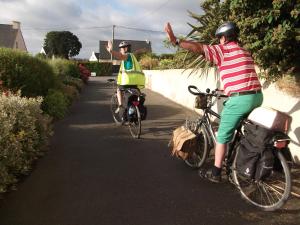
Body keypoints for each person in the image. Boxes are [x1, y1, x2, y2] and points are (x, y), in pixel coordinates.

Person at [165, 22, 263, 183]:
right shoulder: (244, 51)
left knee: (222, 136)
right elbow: (241, 77)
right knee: (237, 123)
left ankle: (216, 172)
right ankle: (240, 151)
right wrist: (226, 91)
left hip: (241, 100)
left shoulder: (223, 50)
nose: (218, 42)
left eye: (219, 39)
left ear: (224, 38)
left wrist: (175, 40)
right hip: (257, 96)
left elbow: (198, 48)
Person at [106, 40, 145, 115]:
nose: (120, 51)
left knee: (119, 89)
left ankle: (120, 106)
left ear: (126, 49)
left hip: (128, 81)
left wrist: (111, 51)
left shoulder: (127, 56)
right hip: (136, 82)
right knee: (136, 95)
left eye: (121, 49)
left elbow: (120, 56)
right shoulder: (133, 57)